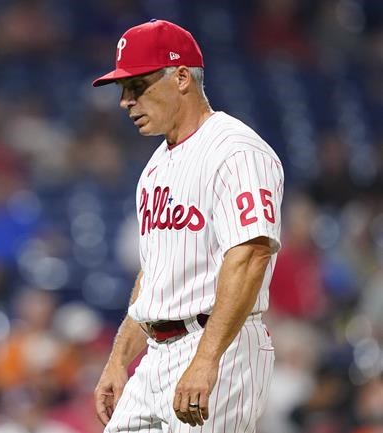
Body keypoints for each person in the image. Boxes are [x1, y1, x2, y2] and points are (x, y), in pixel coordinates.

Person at [91, 19, 284, 432]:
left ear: (181, 77)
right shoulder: (156, 166)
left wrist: (206, 359)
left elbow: (251, 254)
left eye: (137, 86)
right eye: (124, 90)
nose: (126, 101)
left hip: (219, 343)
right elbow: (155, 275)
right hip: (157, 355)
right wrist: (119, 358)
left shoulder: (236, 151)